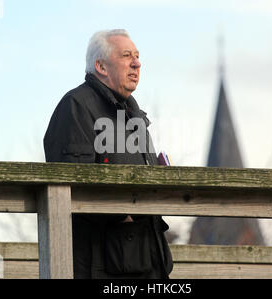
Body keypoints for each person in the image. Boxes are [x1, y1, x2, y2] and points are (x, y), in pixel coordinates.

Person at [43, 29, 173, 279]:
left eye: (137, 56)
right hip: (103, 266)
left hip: (146, 261)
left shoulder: (134, 114)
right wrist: (126, 215)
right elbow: (74, 189)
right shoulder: (76, 107)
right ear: (101, 66)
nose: (137, 63)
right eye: (126, 56)